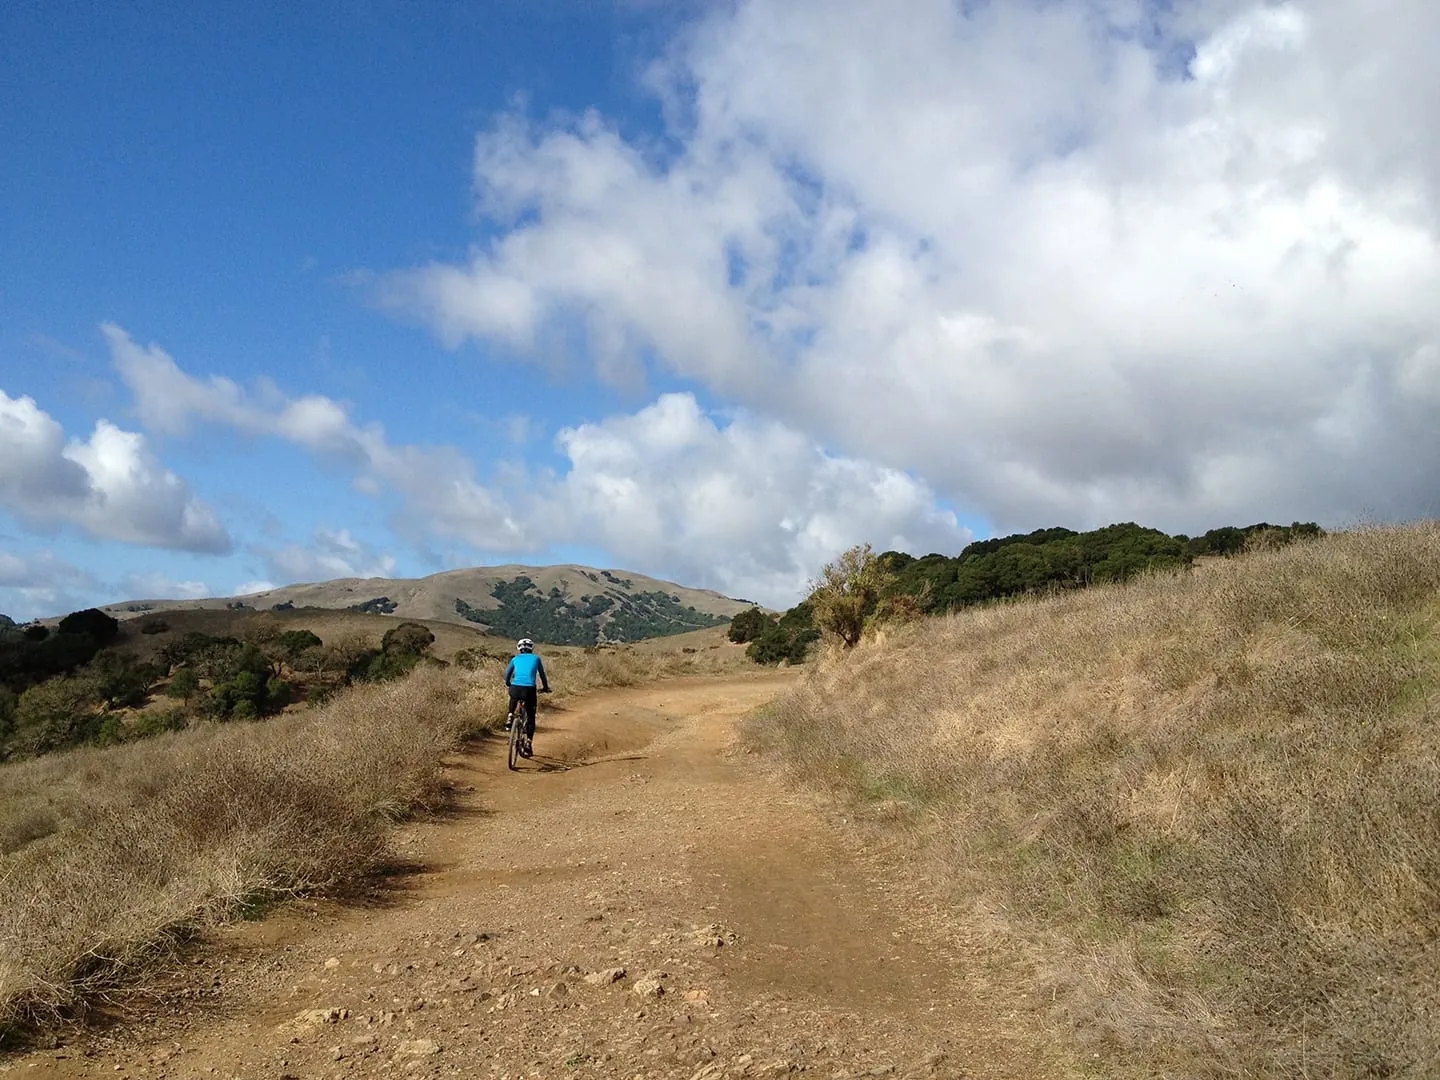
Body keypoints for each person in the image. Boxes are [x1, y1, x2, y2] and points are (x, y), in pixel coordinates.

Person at [504, 637, 550, 757]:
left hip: (515, 687)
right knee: (530, 717)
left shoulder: (515, 659)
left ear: (519, 649)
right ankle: (529, 742)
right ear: (531, 648)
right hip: (529, 690)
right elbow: (542, 675)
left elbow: (507, 675)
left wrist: (508, 683)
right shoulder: (536, 658)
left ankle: (510, 715)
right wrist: (545, 687)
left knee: (513, 697)